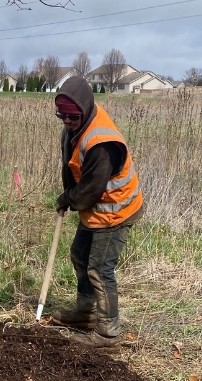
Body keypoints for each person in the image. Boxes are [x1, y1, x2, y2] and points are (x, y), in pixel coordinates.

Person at [50, 76, 143, 348]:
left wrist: (68, 198)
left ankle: (107, 332)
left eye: (71, 116)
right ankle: (87, 312)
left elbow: (90, 190)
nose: (66, 120)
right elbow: (72, 166)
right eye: (62, 115)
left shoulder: (101, 143)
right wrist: (69, 195)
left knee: (100, 270)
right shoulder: (78, 123)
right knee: (79, 254)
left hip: (116, 210)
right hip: (96, 209)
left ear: (85, 109)